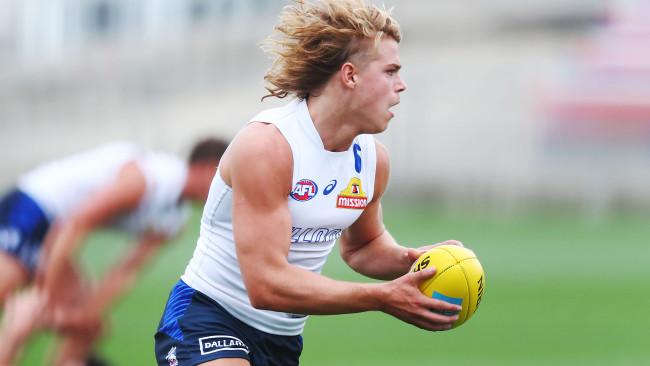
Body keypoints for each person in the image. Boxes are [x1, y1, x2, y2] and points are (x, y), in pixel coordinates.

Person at [154, 1, 463, 365]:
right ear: (350, 75)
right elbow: (265, 284)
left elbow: (363, 247)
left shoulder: (372, 160)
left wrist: (417, 261)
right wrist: (382, 297)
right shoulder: (269, 146)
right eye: (391, 71)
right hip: (206, 317)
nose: (402, 85)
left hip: (283, 340)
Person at [0, 138, 228, 366]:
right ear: (207, 168)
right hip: (32, 209)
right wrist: (46, 293)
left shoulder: (175, 220)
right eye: (224, 178)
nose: (225, 189)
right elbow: (75, 223)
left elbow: (126, 270)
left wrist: (90, 311)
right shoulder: (149, 178)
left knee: (86, 328)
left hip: (57, 234)